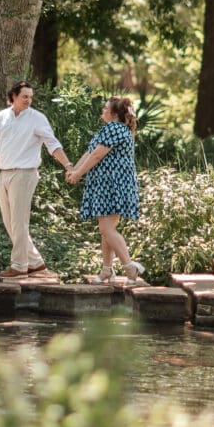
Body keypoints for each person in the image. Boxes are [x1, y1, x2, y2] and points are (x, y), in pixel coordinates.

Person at [0, 80, 72, 279]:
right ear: (13, 96)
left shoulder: (37, 118)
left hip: (25, 174)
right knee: (10, 222)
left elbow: (52, 144)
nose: (28, 100)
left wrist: (68, 165)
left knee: (19, 221)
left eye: (31, 97)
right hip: (4, 174)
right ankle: (35, 262)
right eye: (25, 96)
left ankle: (19, 266)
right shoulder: (0, 118)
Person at [66, 96, 144, 285]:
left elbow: (97, 156)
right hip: (105, 184)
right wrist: (74, 170)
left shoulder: (115, 128)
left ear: (114, 114)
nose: (103, 110)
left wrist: (78, 174)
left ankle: (130, 268)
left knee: (106, 228)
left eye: (106, 108)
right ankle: (107, 270)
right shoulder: (109, 129)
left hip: (114, 184)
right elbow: (91, 152)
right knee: (106, 230)